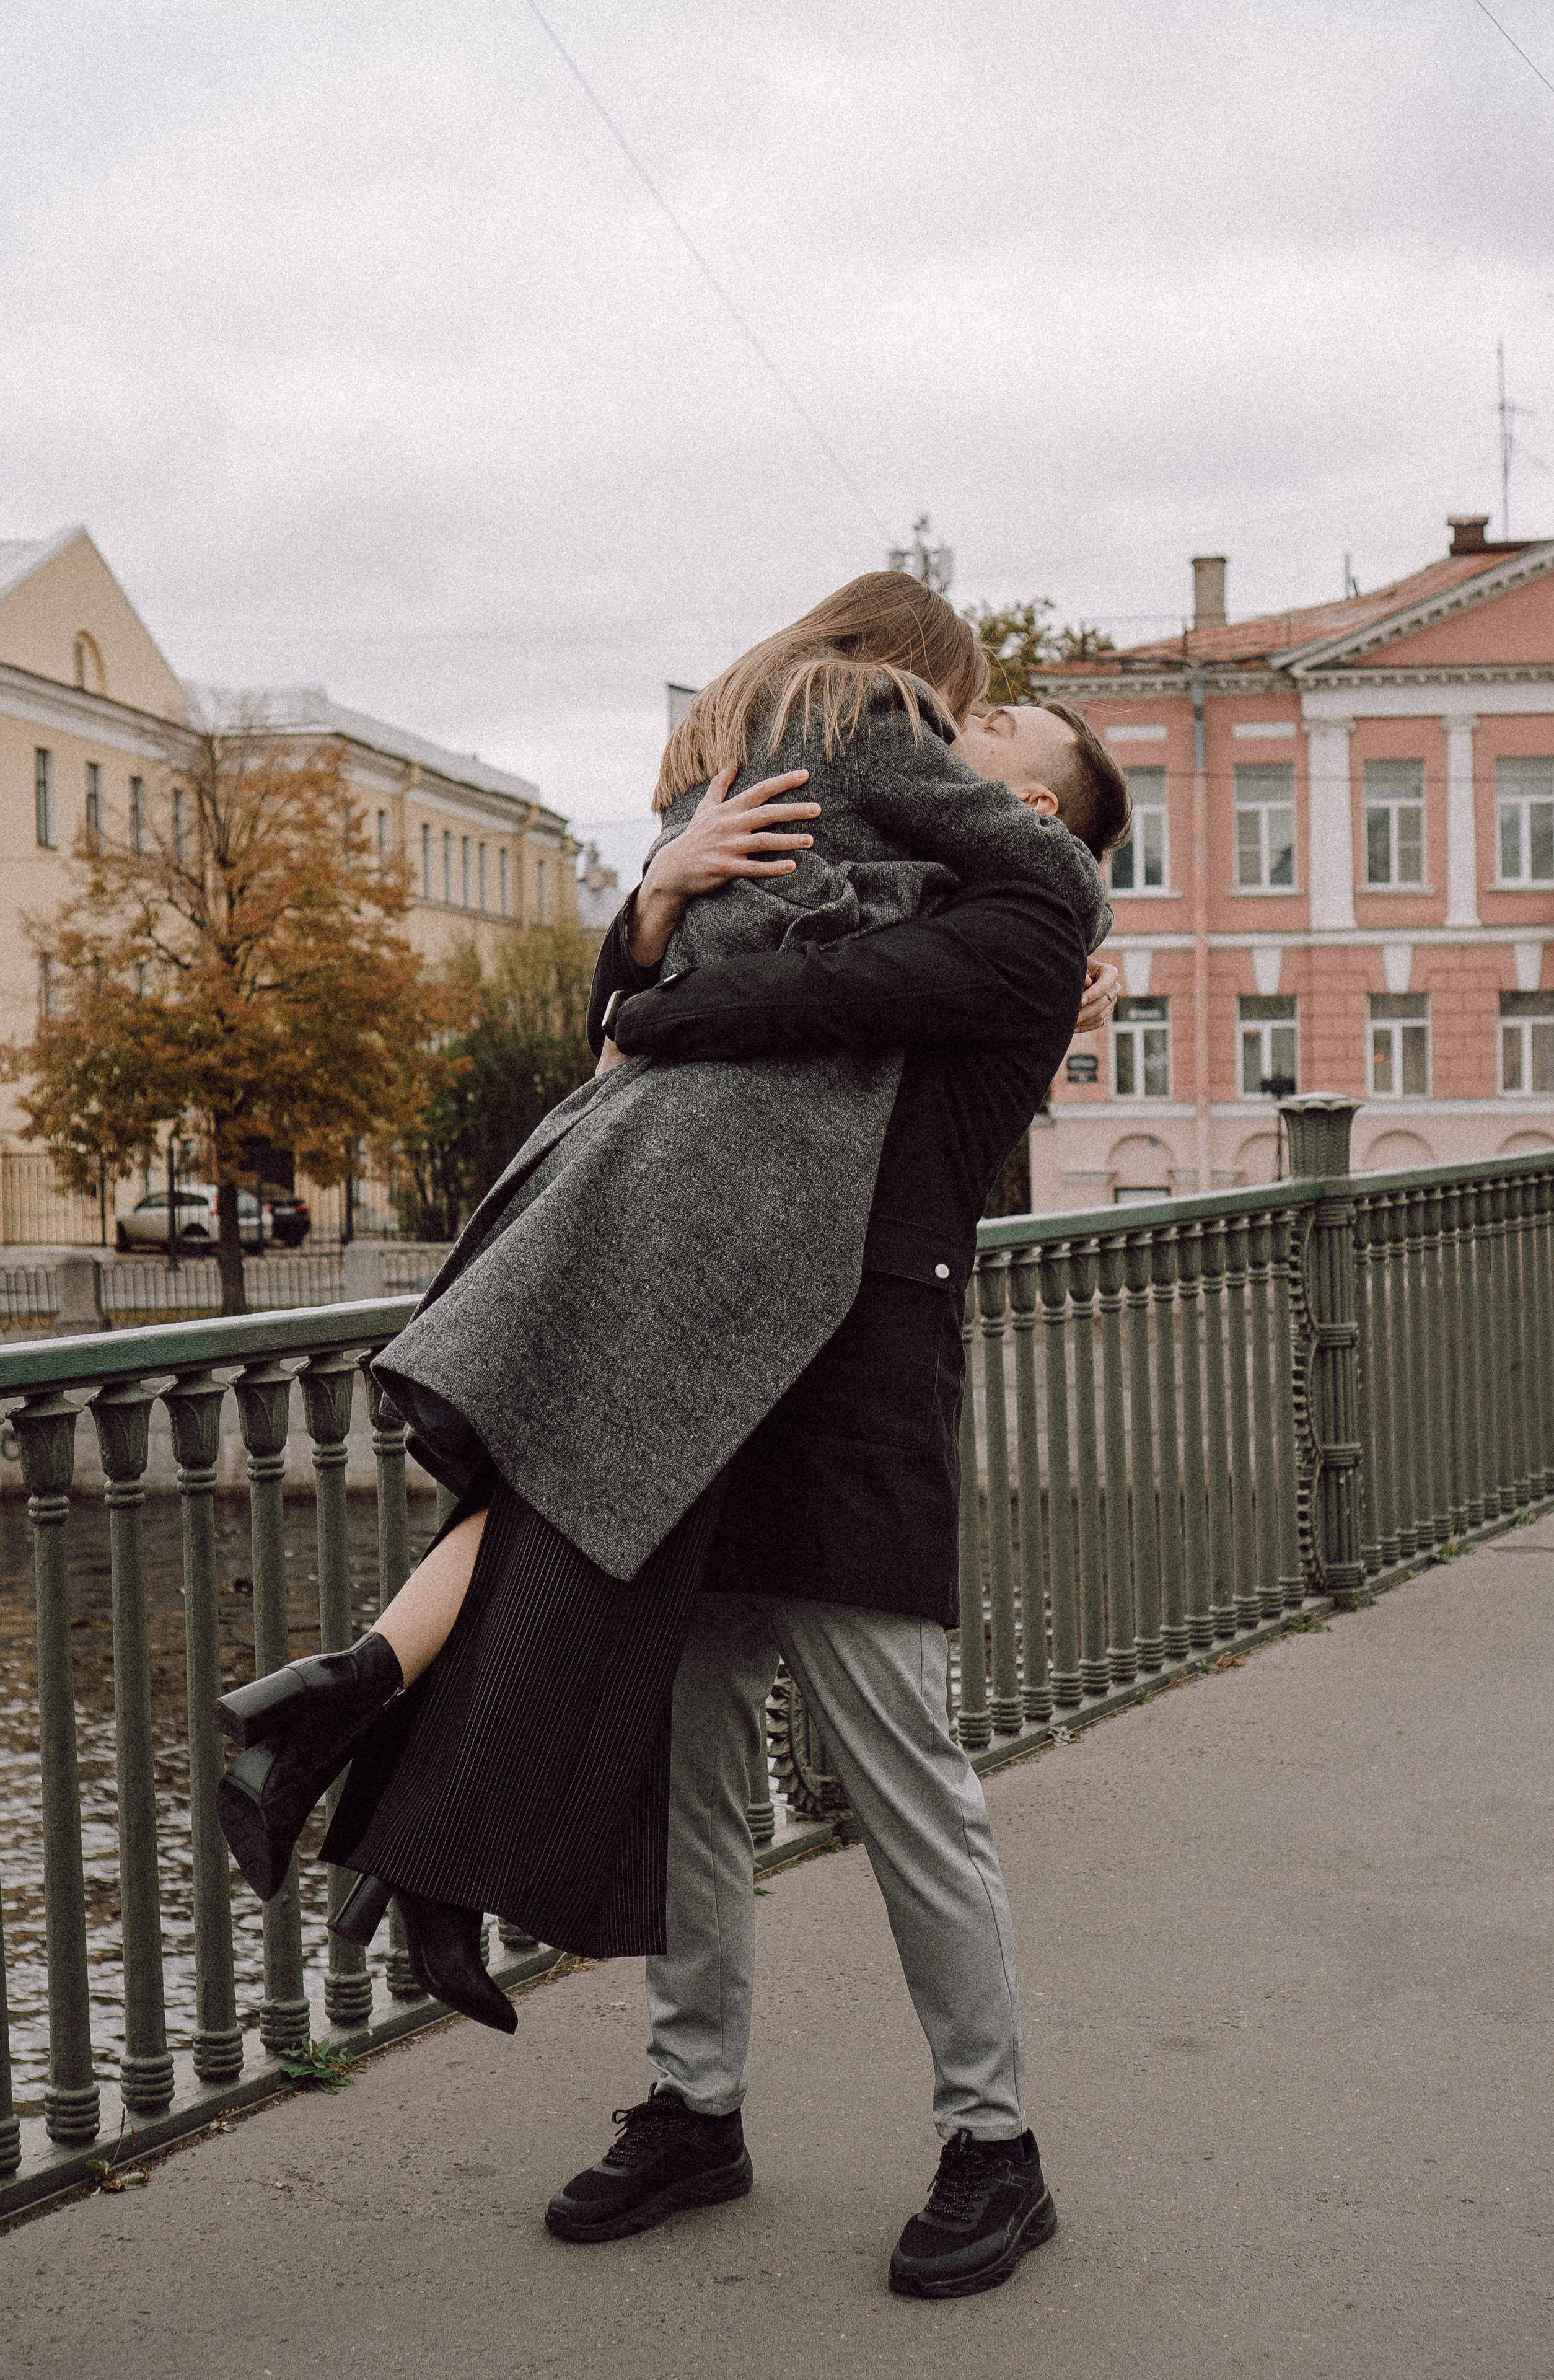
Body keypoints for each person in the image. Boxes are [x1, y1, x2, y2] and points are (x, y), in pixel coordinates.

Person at [215, 580, 1124, 2294]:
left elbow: (769, 1007)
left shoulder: (1023, 945)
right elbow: (687, 1013)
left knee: (904, 1786)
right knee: (697, 1780)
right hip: (702, 1380)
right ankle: (693, 2105)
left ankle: (995, 2145)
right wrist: (649, 909)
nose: (969, 740)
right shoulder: (851, 869)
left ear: (1044, 815)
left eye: (1011, 749)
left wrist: (657, 982)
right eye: (976, 716)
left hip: (854, 1407)